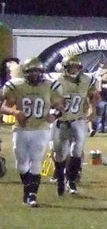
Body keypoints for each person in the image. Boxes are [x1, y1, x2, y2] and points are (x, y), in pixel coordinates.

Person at [0, 57, 64, 206]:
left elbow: (61, 106)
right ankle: (27, 190)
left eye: (38, 71)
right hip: (21, 129)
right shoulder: (16, 85)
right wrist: (15, 113)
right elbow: (3, 107)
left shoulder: (50, 85)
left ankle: (32, 195)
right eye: (32, 71)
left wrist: (54, 115)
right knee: (21, 164)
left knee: (36, 160)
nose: (35, 74)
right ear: (25, 72)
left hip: (41, 129)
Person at [51, 54, 97, 195]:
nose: (73, 70)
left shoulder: (87, 80)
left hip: (78, 119)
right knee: (59, 153)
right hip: (59, 120)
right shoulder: (55, 80)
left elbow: (93, 95)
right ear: (64, 68)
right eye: (70, 67)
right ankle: (60, 177)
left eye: (76, 67)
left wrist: (92, 109)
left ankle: (71, 180)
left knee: (77, 150)